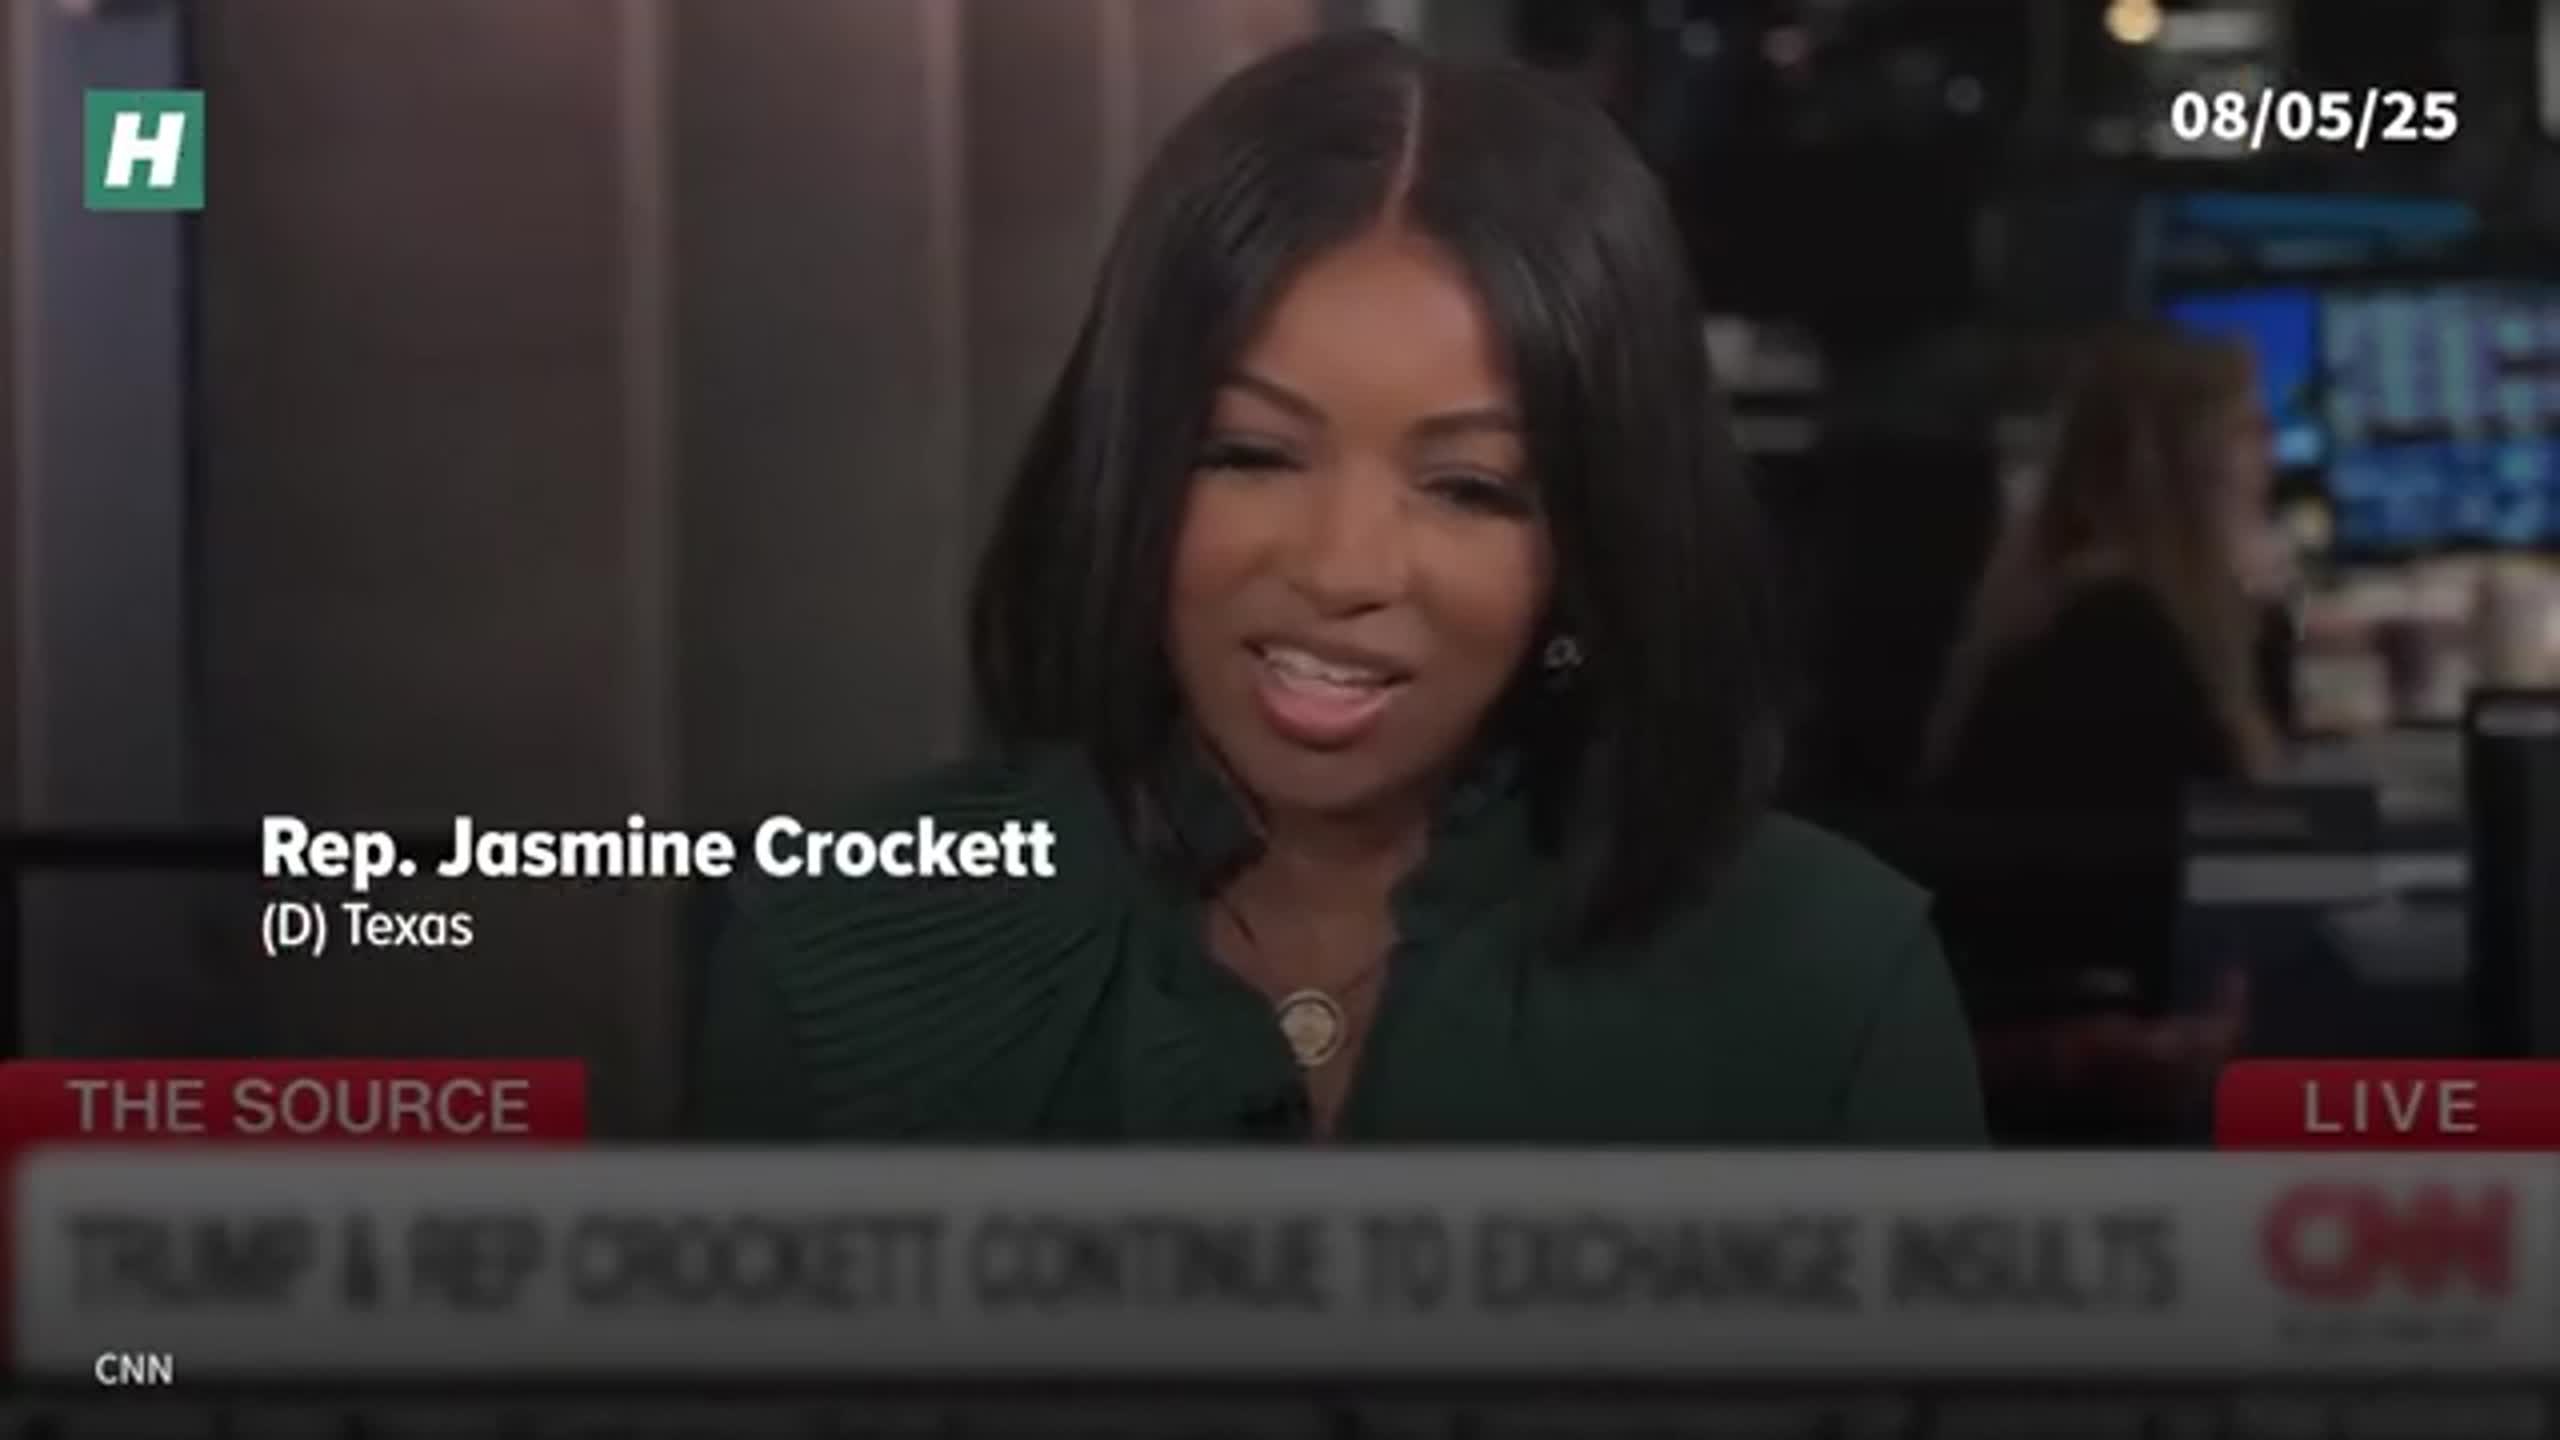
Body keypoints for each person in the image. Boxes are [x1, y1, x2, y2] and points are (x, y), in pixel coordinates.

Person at [684, 30, 1982, 1143]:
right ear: (1132, 465)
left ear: (1593, 538)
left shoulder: (1828, 988)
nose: (1341, 568)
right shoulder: (832, 949)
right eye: (1251, 454)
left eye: (1469, 486)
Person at [1918, 323, 2284, 1142]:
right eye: (2247, 430)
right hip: (2106, 1081)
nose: (2270, 458)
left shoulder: (2078, 608)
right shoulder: (2118, 636)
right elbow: (2159, 887)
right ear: (2182, 460)